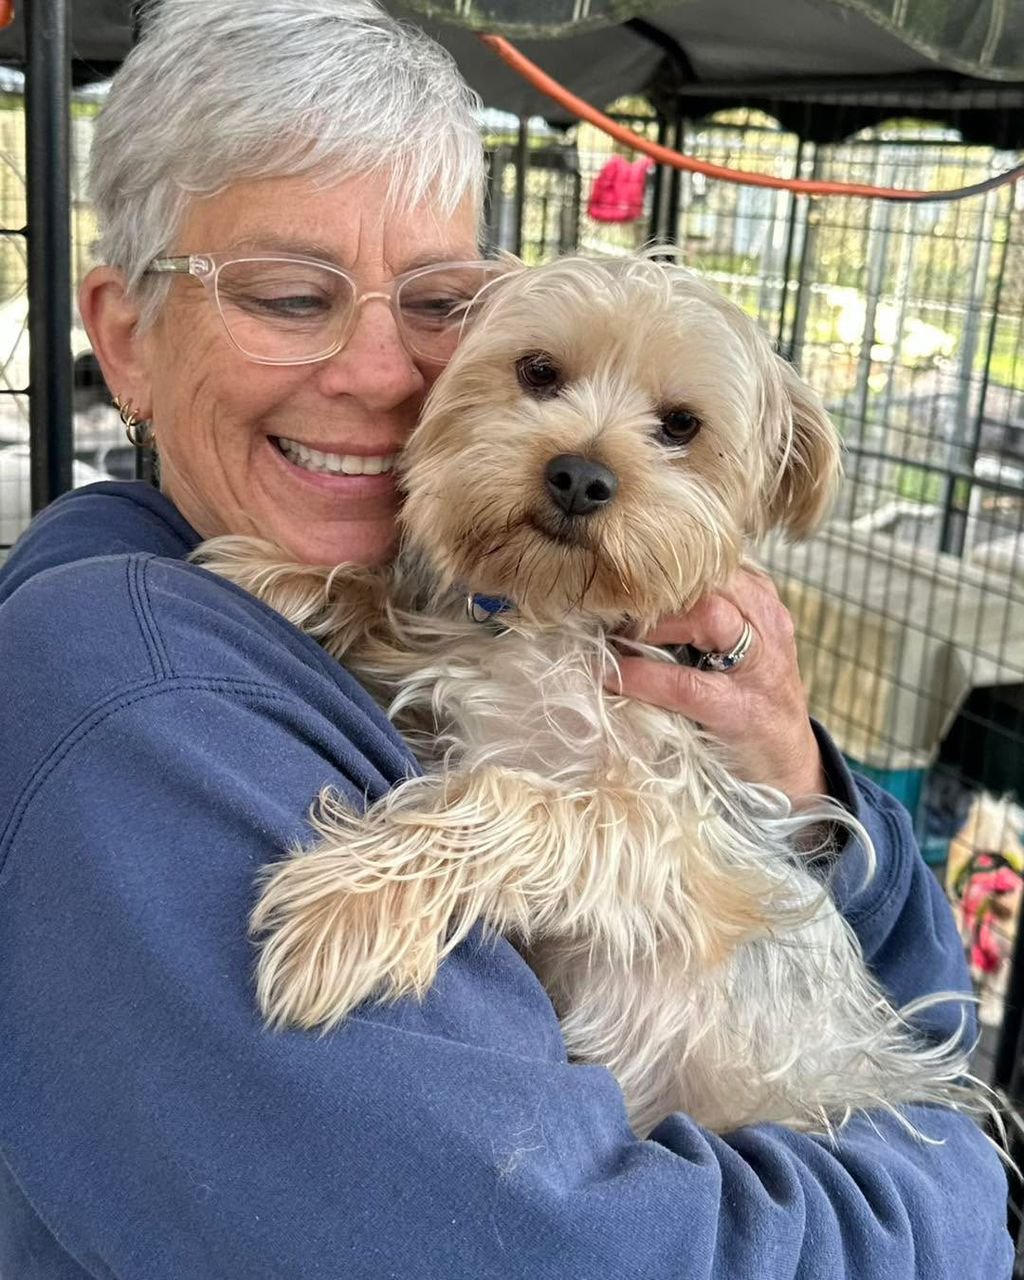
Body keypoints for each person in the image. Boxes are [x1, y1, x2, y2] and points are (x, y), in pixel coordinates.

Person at [0, 2, 1011, 1276]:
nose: (380, 372)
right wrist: (952, 1195)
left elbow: (898, 998)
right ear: (126, 337)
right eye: (288, 295)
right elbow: (543, 1234)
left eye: (432, 302)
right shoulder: (130, 685)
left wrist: (801, 786)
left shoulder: (515, 616)